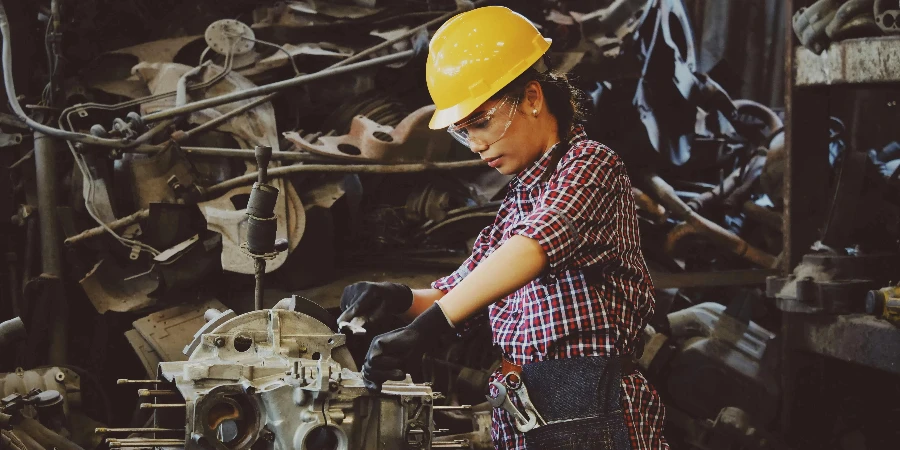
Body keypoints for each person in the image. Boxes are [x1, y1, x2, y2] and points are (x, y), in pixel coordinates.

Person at [337, 6, 668, 450]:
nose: (475, 145)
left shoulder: (590, 165)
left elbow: (534, 247)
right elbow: (460, 292)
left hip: (590, 405)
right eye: (462, 132)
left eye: (482, 122)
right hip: (525, 406)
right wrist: (394, 297)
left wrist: (429, 327)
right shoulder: (516, 202)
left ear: (532, 97)